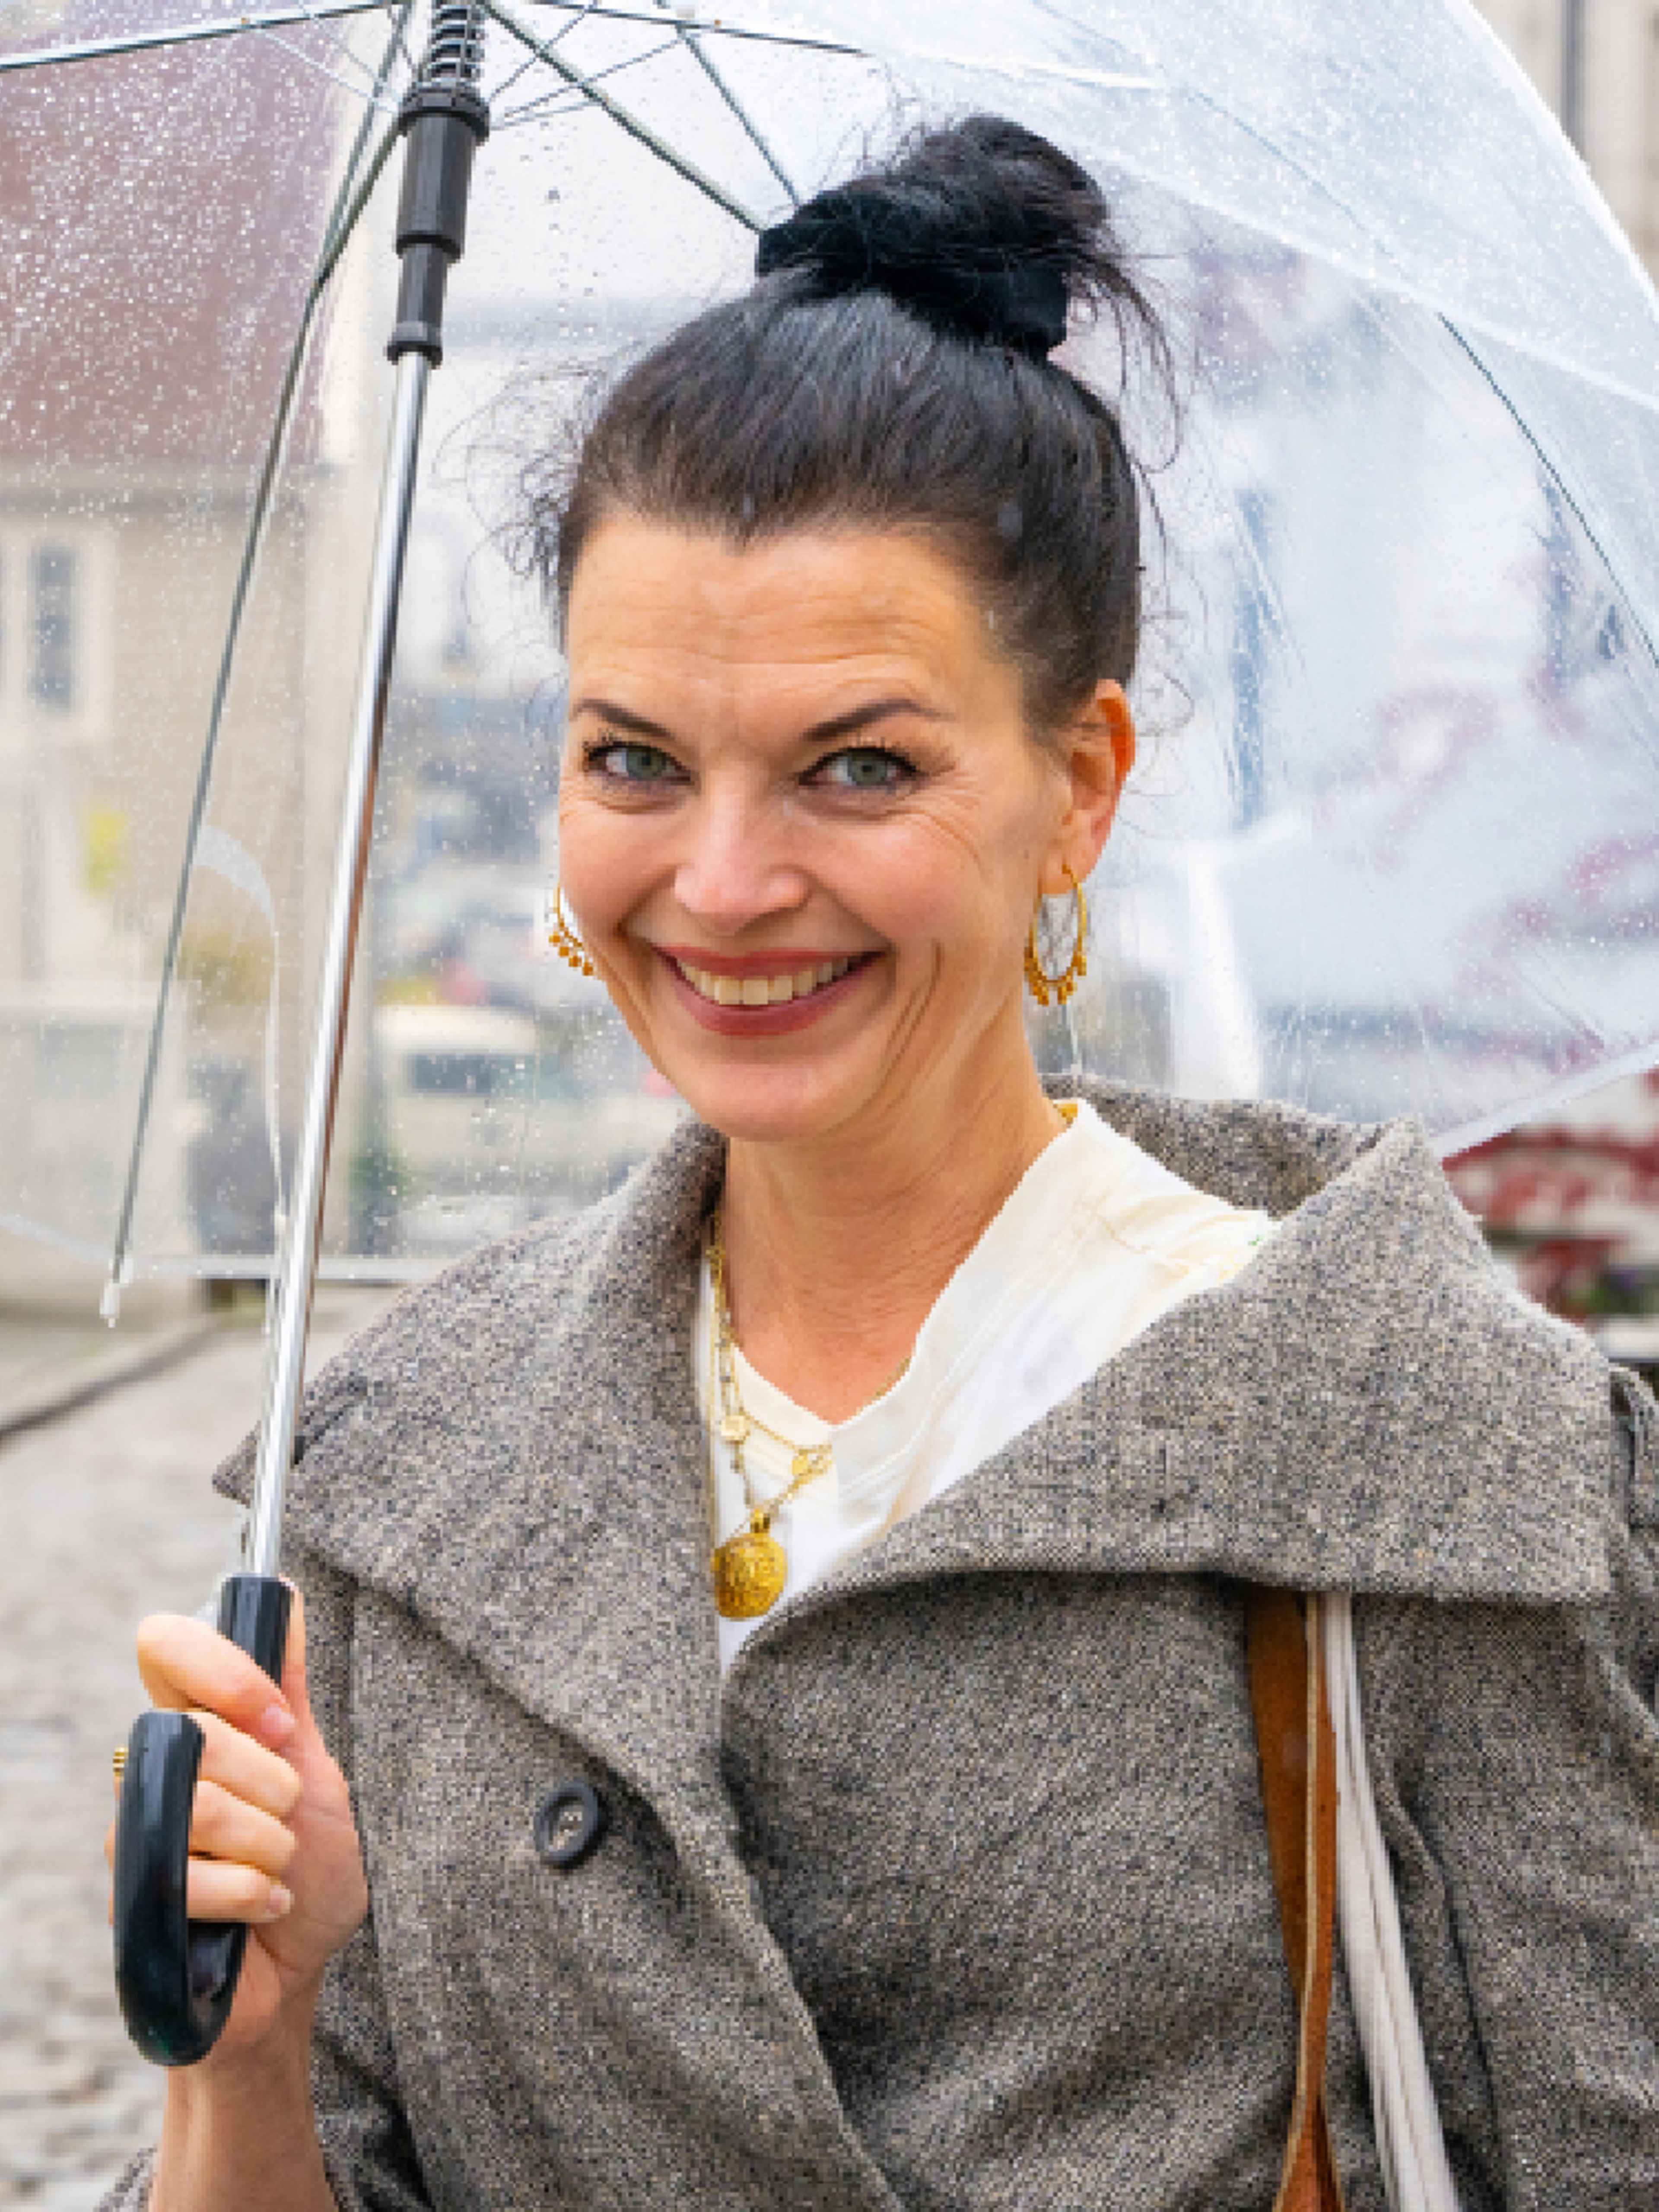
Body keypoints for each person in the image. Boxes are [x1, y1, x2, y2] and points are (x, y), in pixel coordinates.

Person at [104, 117, 1659, 2212]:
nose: (727, 885)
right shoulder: (399, 1474)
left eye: (861, 766)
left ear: (1079, 783)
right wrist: (248, 2058)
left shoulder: (1407, 1439)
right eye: (635, 758)